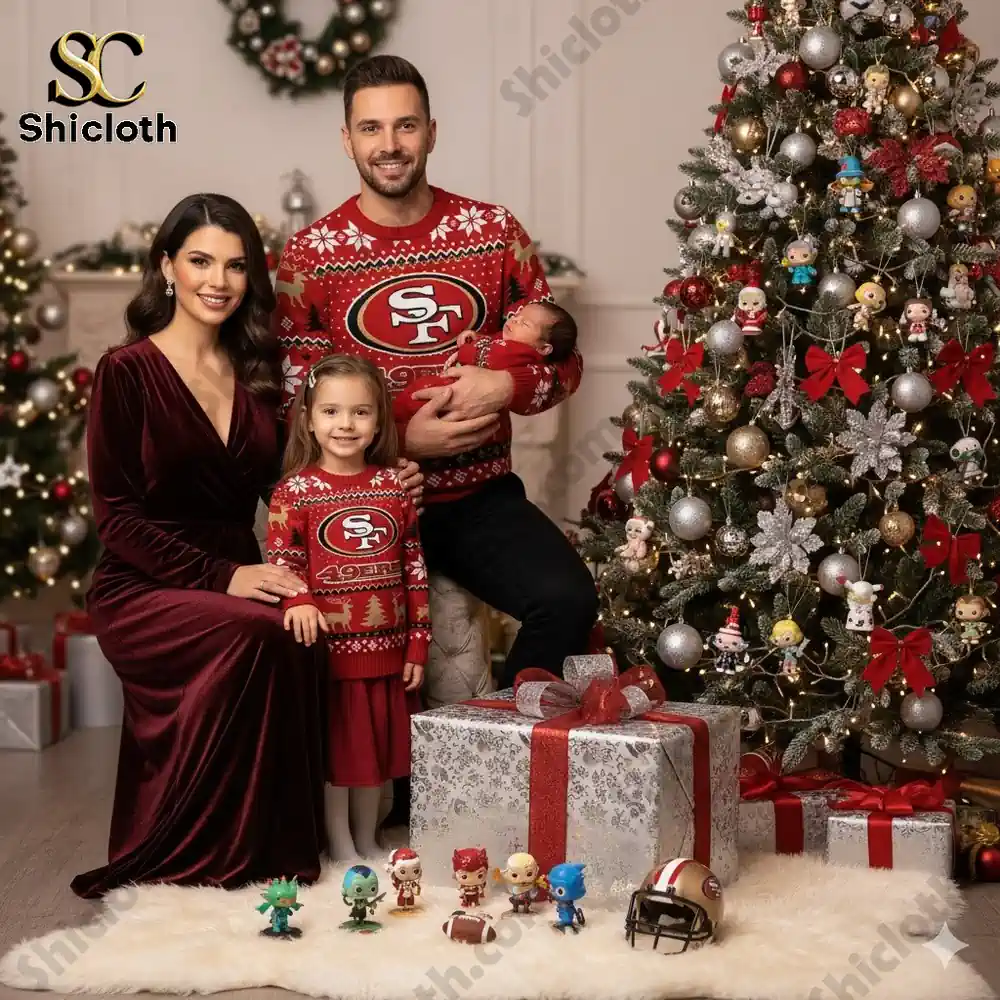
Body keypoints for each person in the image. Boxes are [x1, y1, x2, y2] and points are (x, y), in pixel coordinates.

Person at [70, 193, 423, 898]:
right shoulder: (126, 371)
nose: (218, 281)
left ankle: (282, 844)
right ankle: (210, 852)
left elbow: (294, 484)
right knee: (260, 631)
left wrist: (381, 484)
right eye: (200, 261)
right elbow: (116, 519)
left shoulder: (258, 377)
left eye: (236, 266)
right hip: (143, 584)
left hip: (239, 572)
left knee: (300, 629)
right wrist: (225, 576)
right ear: (166, 266)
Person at [272, 54, 598, 697]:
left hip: (480, 499)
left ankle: (503, 738)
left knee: (568, 598)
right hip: (364, 499)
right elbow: (293, 400)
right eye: (370, 128)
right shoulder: (311, 256)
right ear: (347, 140)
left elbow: (566, 363)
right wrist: (398, 440)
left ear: (432, 132)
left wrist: (506, 386)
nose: (389, 144)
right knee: (367, 674)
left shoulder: (493, 232)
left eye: (406, 125)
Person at [265, 354, 428, 862]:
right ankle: (338, 842)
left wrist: (417, 643)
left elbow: (414, 569)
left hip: (386, 649)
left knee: (375, 755)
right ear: (309, 419)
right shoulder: (294, 492)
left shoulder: (391, 487)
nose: (346, 424)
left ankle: (369, 836)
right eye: (331, 411)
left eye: (360, 412)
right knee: (340, 755)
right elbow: (282, 562)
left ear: (378, 421)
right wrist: (299, 599)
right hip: (332, 654)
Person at [393, 301, 578, 437]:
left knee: (412, 400)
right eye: (517, 315)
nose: (514, 319)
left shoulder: (519, 351)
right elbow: (496, 343)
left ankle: (393, 426)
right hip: (451, 393)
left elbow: (486, 356)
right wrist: (479, 337)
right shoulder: (517, 346)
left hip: (449, 393)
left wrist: (470, 346)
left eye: (525, 323)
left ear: (544, 349)